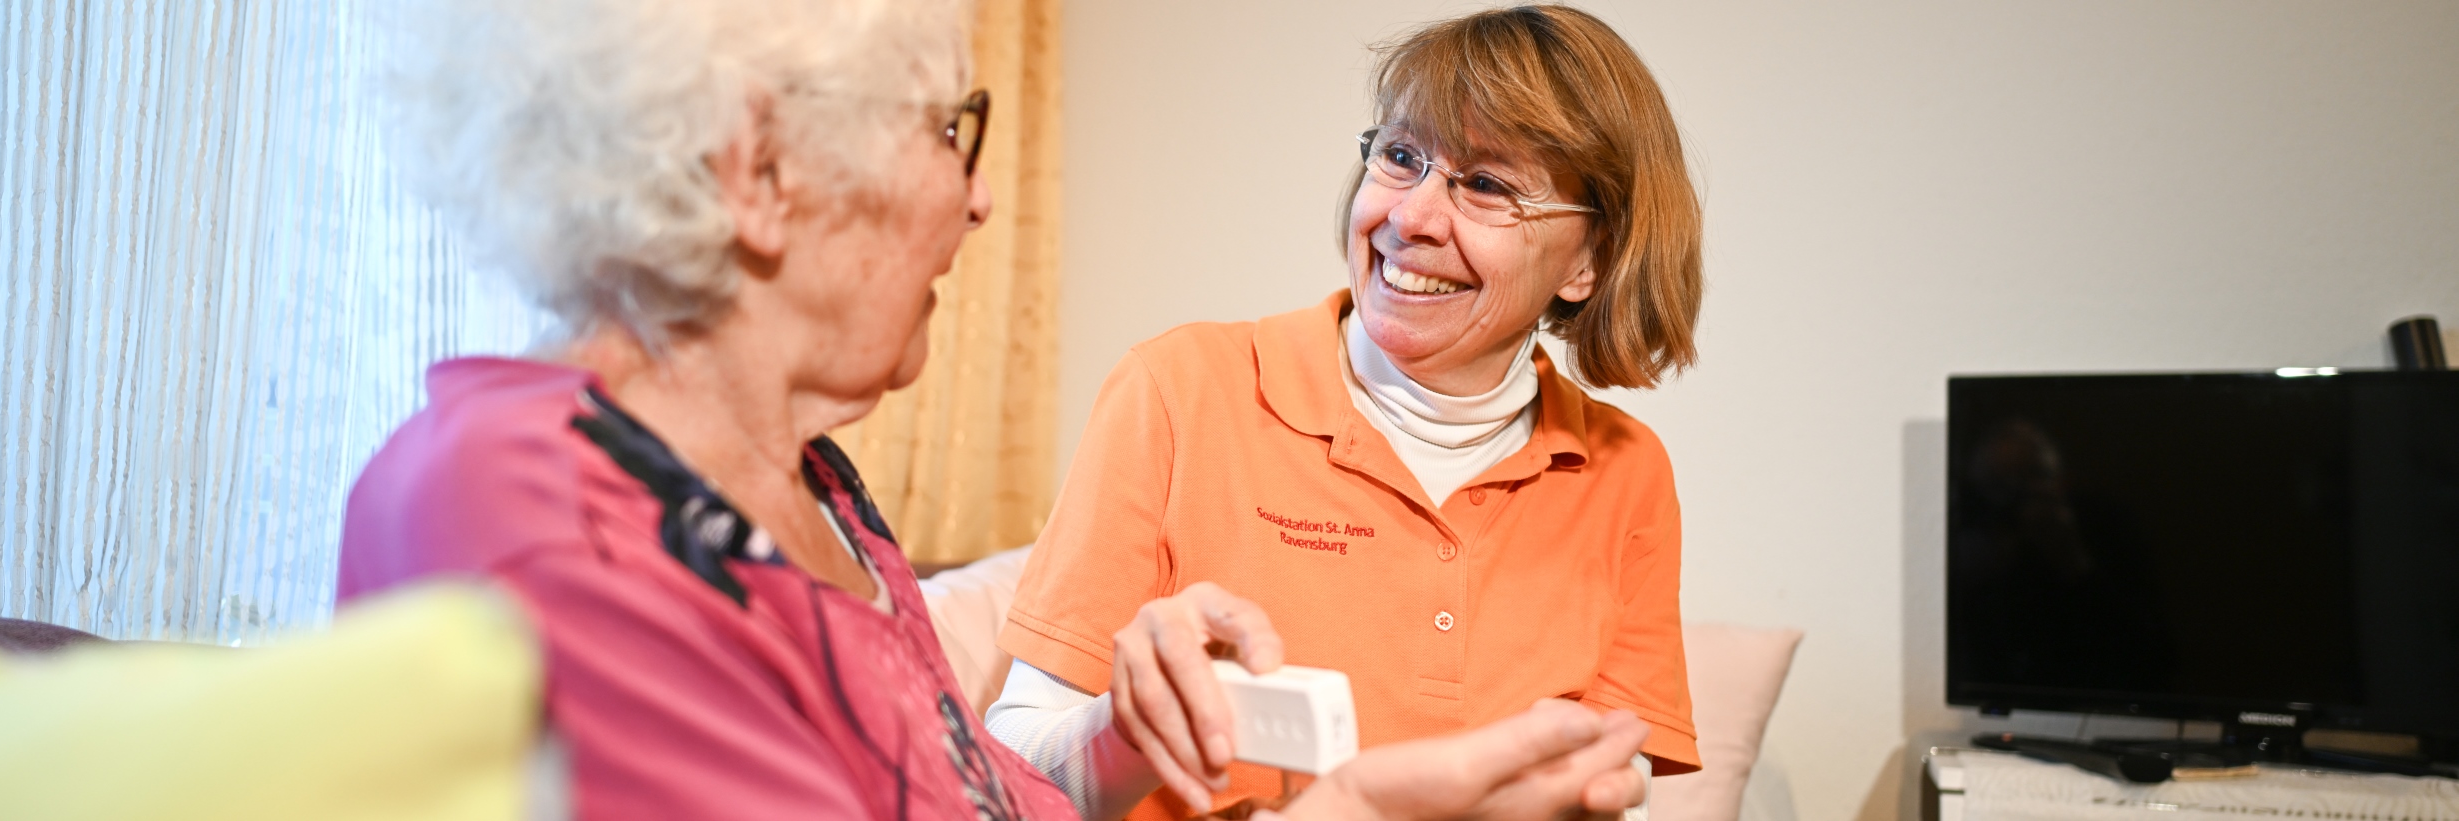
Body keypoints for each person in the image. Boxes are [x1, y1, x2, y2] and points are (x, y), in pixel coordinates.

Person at [338, 0, 1654, 819]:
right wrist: (1358, 804)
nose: (978, 200)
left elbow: (988, 798)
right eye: (947, 130)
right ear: (759, 173)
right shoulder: (545, 512)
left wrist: (1136, 734)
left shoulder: (823, 501)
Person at [990, 6, 1707, 819]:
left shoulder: (1625, 469)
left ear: (1588, 259)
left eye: (1486, 185)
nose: (1410, 217)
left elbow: (1619, 782)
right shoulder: (1179, 388)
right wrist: (1127, 726)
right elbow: (1005, 776)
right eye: (1402, 156)